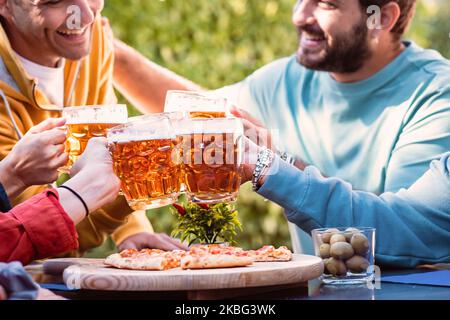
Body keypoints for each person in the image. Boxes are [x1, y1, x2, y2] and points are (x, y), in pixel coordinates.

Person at [107, 0, 450, 262]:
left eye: (326, 3)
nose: (300, 16)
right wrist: (110, 53)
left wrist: (274, 166)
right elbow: (194, 117)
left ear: (382, 18)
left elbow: (393, 237)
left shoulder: (437, 96)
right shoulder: (287, 81)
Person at [0, 0, 184, 254]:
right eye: (54, 2)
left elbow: (108, 144)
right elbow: (37, 233)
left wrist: (133, 230)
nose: (85, 16)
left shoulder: (93, 38)